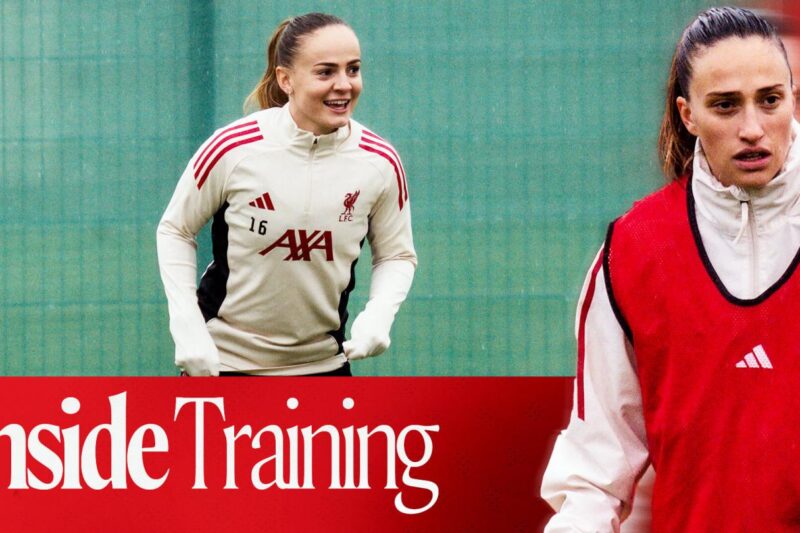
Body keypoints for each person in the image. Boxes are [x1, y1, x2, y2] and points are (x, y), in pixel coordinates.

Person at [541, 6, 800, 531]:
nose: (753, 128)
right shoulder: (634, 249)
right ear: (688, 114)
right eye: (725, 106)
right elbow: (597, 471)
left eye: (769, 101)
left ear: (792, 101)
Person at [156, 13, 416, 376]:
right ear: (286, 79)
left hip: (324, 368)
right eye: (325, 72)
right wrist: (187, 327)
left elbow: (397, 254)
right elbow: (175, 230)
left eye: (353, 70)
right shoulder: (233, 148)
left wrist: (379, 314)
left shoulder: (379, 162)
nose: (344, 85)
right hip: (221, 368)